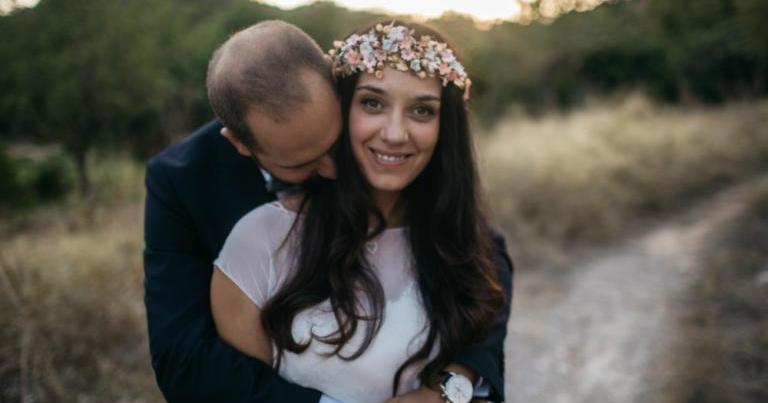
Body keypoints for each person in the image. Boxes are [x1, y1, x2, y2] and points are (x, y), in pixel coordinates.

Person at [143, 20, 512, 403]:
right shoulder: (186, 184)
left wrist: (454, 383)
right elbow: (183, 359)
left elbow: (483, 256)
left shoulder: (401, 170)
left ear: (332, 74)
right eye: (304, 161)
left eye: (335, 144)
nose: (334, 169)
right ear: (240, 144)